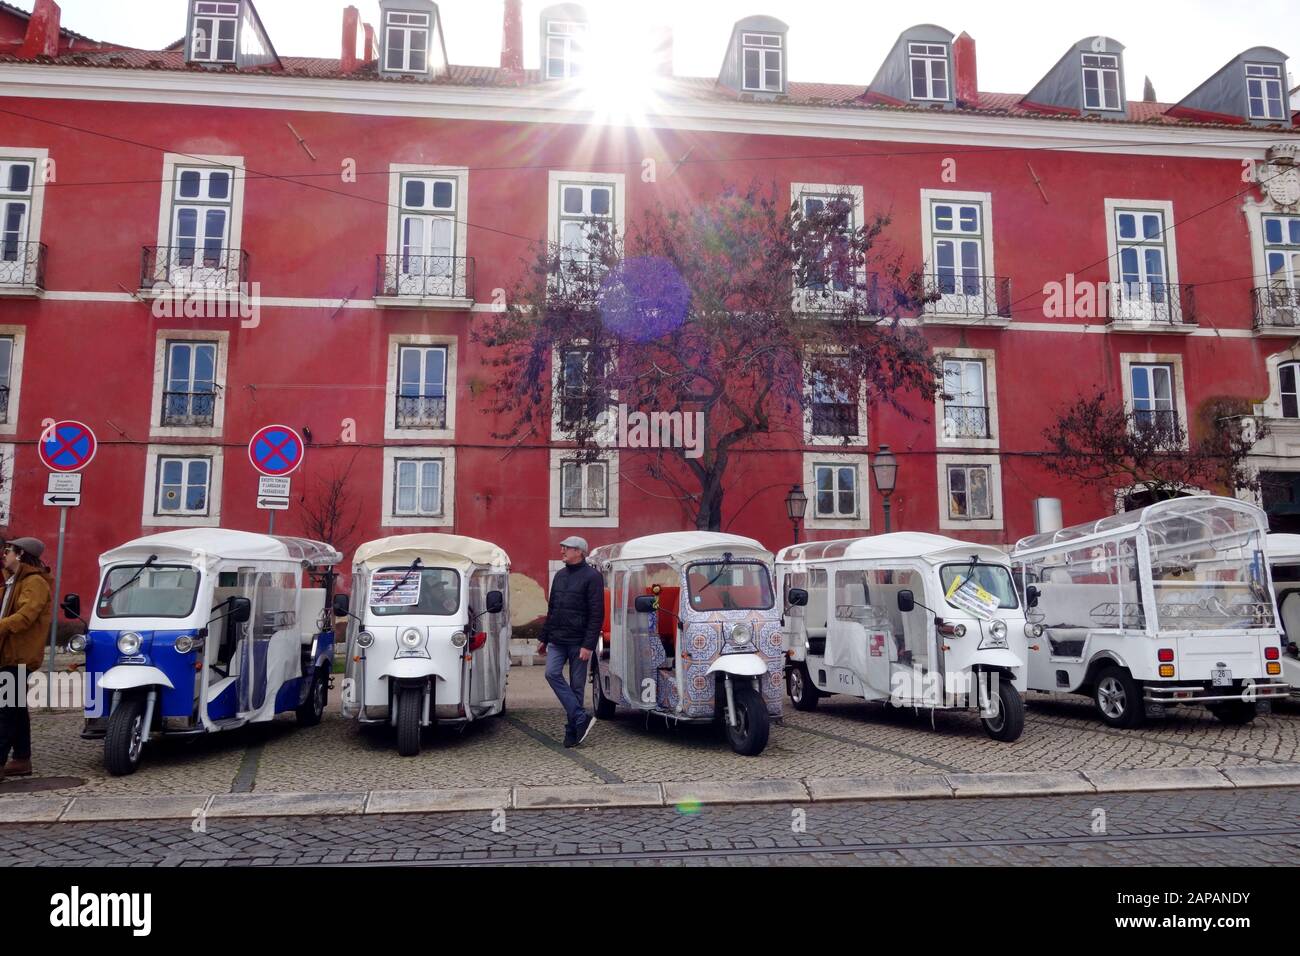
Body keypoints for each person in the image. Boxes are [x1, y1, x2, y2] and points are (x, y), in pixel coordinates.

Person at [539, 535, 603, 748]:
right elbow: (553, 608)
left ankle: (573, 731)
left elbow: (596, 614)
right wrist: (543, 638)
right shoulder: (559, 575)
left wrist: (588, 645)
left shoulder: (592, 577)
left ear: (579, 551)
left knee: (577, 687)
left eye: (566, 548)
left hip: (579, 642)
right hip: (557, 640)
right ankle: (580, 716)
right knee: (551, 673)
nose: (562, 551)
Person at [0, 537, 52, 783]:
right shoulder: (13, 581)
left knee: (5, 711)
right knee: (15, 708)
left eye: (8, 551)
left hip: (19, 656)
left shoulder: (34, 582)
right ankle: (22, 759)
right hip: (8, 654)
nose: (4, 554)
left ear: (20, 554)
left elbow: (25, 617)